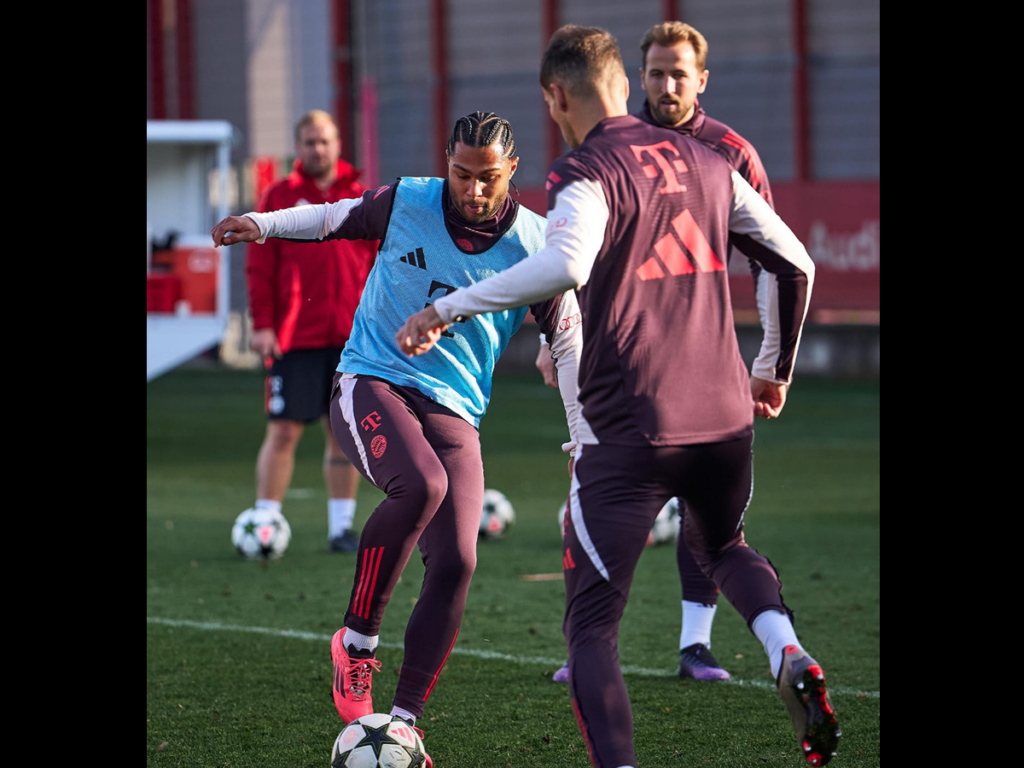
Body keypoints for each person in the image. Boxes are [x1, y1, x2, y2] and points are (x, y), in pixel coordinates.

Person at [396, 26, 839, 768]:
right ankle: (785, 648)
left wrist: (446, 308)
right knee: (724, 545)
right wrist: (773, 368)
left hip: (631, 424)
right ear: (626, 84)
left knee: (593, 629)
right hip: (726, 415)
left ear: (554, 96)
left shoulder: (587, 165)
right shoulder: (707, 154)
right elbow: (795, 262)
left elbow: (564, 264)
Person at [213, 111, 583, 764]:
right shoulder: (409, 200)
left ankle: (405, 723)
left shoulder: (533, 242)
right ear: (446, 161)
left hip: (455, 414)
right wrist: (263, 226)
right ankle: (356, 644)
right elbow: (331, 218)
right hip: (370, 382)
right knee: (423, 487)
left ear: (512, 172)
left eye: (487, 178)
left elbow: (567, 328)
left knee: (460, 561)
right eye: (461, 173)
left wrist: (579, 420)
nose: (471, 189)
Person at [542, 19, 776, 685]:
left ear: (702, 80)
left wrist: (765, 360)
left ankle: (695, 646)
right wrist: (556, 337)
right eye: (655, 72)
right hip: (612, 361)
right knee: (590, 498)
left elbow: (773, 260)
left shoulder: (730, 153)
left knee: (706, 517)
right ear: (633, 78)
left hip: (700, 359)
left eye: (679, 73)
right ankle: (584, 644)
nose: (666, 84)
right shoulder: (608, 144)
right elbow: (575, 258)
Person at [245, 110, 377, 553]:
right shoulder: (279, 195)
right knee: (283, 430)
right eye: (308, 142)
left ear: (338, 144)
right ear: (298, 148)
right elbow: (260, 266)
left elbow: (379, 263)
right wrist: (263, 324)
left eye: (324, 141)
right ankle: (265, 521)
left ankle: (341, 528)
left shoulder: (362, 196)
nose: (317, 149)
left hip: (352, 339)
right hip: (294, 337)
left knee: (342, 432)